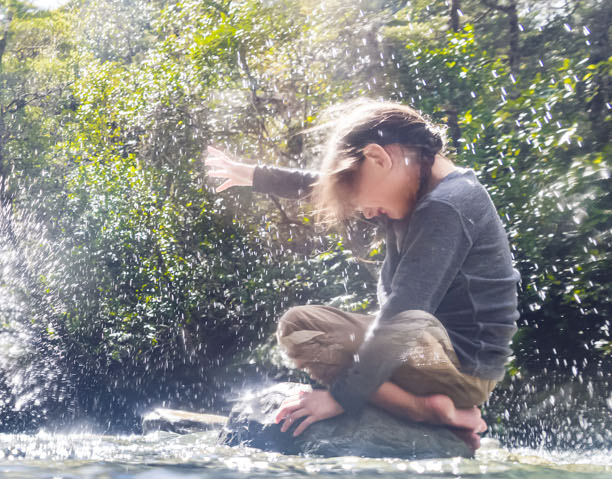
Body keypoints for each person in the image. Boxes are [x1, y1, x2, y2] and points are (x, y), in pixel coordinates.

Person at [205, 99, 520, 449]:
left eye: (359, 198)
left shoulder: (446, 206)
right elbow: (323, 185)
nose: (366, 213)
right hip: (447, 357)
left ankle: (424, 410)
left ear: (378, 158)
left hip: (458, 363)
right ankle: (433, 408)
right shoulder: (417, 188)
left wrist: (340, 399)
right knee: (325, 332)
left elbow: (403, 315)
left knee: (301, 327)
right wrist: (252, 176)